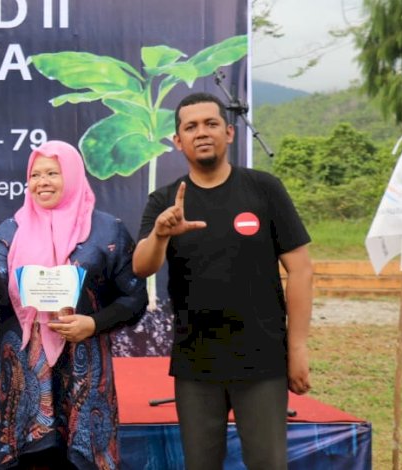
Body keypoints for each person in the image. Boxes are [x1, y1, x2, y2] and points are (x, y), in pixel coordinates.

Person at [131, 92, 313, 470]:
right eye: (190, 127)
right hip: (195, 364)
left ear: (229, 133)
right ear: (178, 141)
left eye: (211, 124)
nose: (202, 133)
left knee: (268, 463)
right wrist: (161, 234)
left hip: (262, 360)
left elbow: (301, 270)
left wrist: (297, 349)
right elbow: (141, 267)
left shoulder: (264, 189)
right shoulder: (165, 201)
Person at [0, 141, 148, 469]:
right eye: (35, 174)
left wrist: (92, 323)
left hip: (83, 376)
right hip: (21, 379)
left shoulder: (106, 230)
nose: (42, 181)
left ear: (74, 176)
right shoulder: (11, 231)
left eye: (52, 173)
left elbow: (134, 299)